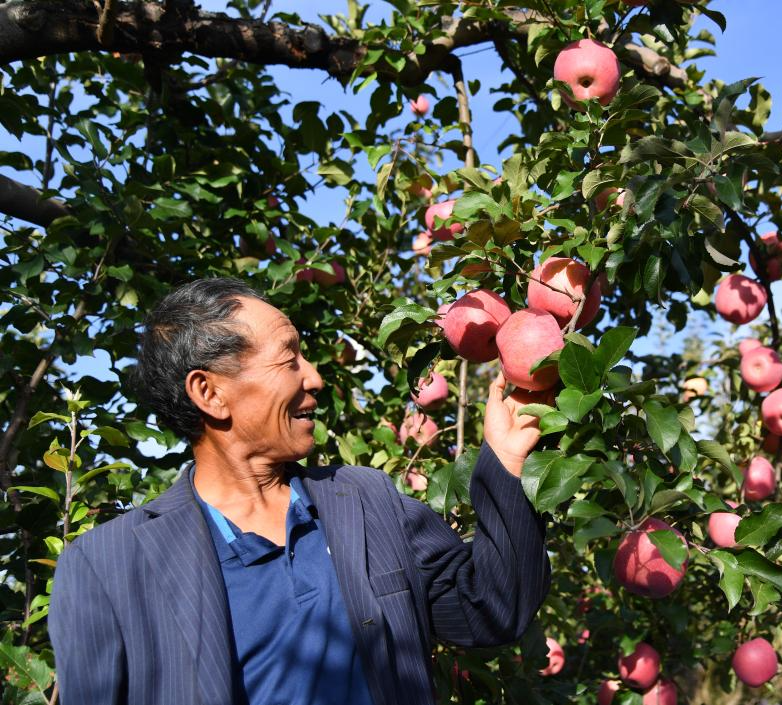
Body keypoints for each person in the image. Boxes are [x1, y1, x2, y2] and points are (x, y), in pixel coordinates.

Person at [49, 277, 552, 705]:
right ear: (210, 392)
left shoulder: (365, 499)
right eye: (289, 359)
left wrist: (506, 460)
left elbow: (489, 608)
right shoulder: (107, 567)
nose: (314, 377)